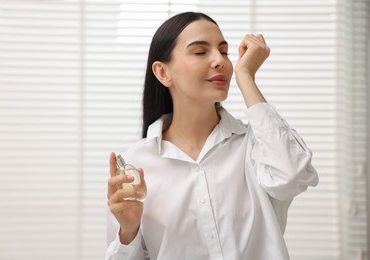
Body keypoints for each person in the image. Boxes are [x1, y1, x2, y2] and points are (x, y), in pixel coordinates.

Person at [106, 12, 318, 260]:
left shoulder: (257, 146)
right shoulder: (138, 165)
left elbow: (293, 176)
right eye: (200, 52)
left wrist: (246, 78)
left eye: (225, 51)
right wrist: (128, 232)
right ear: (163, 72)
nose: (220, 61)